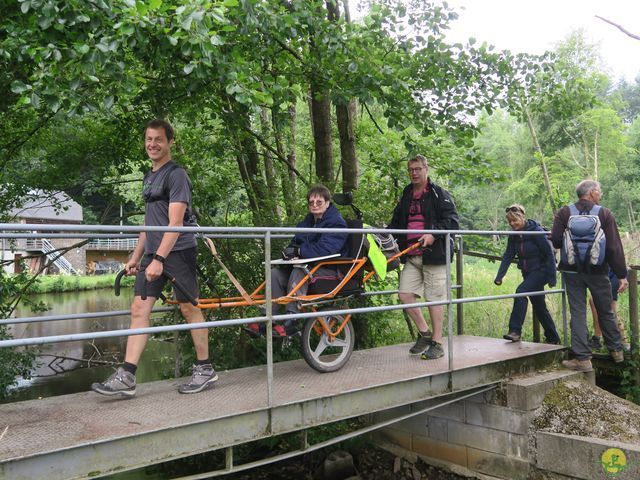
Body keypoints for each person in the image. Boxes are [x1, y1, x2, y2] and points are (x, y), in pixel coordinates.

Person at [92, 119, 216, 397]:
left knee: (189, 309)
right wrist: (136, 257)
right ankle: (127, 376)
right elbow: (150, 223)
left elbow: (175, 223)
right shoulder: (149, 177)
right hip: (153, 254)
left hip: (178, 252)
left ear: (170, 142)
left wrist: (160, 258)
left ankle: (205, 369)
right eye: (149, 139)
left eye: (158, 139)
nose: (152, 144)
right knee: (138, 309)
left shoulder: (177, 175)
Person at [246, 185, 348, 337]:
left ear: (328, 203)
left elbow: (326, 250)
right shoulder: (308, 222)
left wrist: (299, 252)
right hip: (311, 266)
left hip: (330, 269)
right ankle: (266, 318)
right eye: (311, 202)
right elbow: (296, 243)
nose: (314, 205)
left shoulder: (337, 223)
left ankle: (292, 319)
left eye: (319, 202)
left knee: (300, 269)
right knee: (275, 273)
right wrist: (288, 253)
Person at [551, 180, 627, 372]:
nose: (600, 194)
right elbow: (613, 247)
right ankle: (616, 351)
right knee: (605, 310)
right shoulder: (604, 213)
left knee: (577, 312)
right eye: (599, 191)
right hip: (598, 270)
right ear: (592, 192)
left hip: (571, 271)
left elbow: (557, 241)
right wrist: (621, 275)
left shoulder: (564, 212)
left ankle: (583, 359)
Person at [388, 154, 459, 360]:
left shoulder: (439, 194)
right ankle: (425, 333)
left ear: (426, 169)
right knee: (405, 294)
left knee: (434, 299)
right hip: (410, 255)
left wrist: (433, 234)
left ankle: (437, 343)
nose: (414, 173)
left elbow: (452, 222)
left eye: (418, 169)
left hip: (434, 255)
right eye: (411, 170)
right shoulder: (407, 194)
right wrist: (380, 234)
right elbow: (396, 223)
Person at [494, 204, 560, 345]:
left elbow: (549, 254)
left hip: (541, 271)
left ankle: (515, 331)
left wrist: (552, 278)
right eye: (510, 222)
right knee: (539, 306)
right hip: (527, 272)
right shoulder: (514, 235)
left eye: (515, 221)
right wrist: (499, 276)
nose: (512, 224)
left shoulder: (535, 231)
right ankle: (553, 338)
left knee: (520, 292)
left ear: (522, 217)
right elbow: (508, 255)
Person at [588, 270, 631, 351]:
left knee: (610, 305)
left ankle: (623, 342)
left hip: (616, 271)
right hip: (604, 270)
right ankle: (598, 338)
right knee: (593, 300)